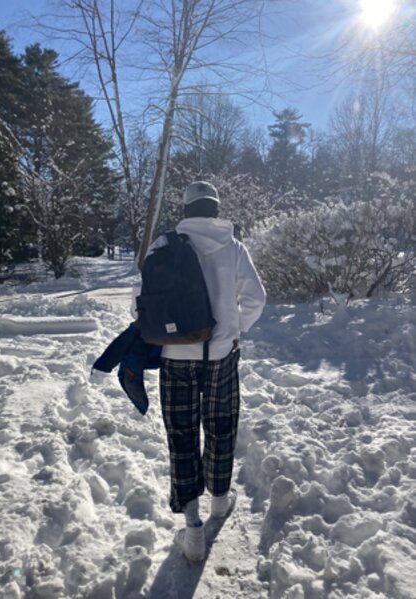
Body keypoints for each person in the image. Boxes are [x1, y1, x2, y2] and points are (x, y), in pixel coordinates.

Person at [137, 181, 266, 561]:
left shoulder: (163, 245)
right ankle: (220, 502)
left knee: (181, 434)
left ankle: (193, 528)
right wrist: (234, 330)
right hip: (220, 355)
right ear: (215, 209)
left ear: (186, 210)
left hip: (174, 356)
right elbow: (256, 299)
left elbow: (139, 302)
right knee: (221, 426)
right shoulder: (233, 247)